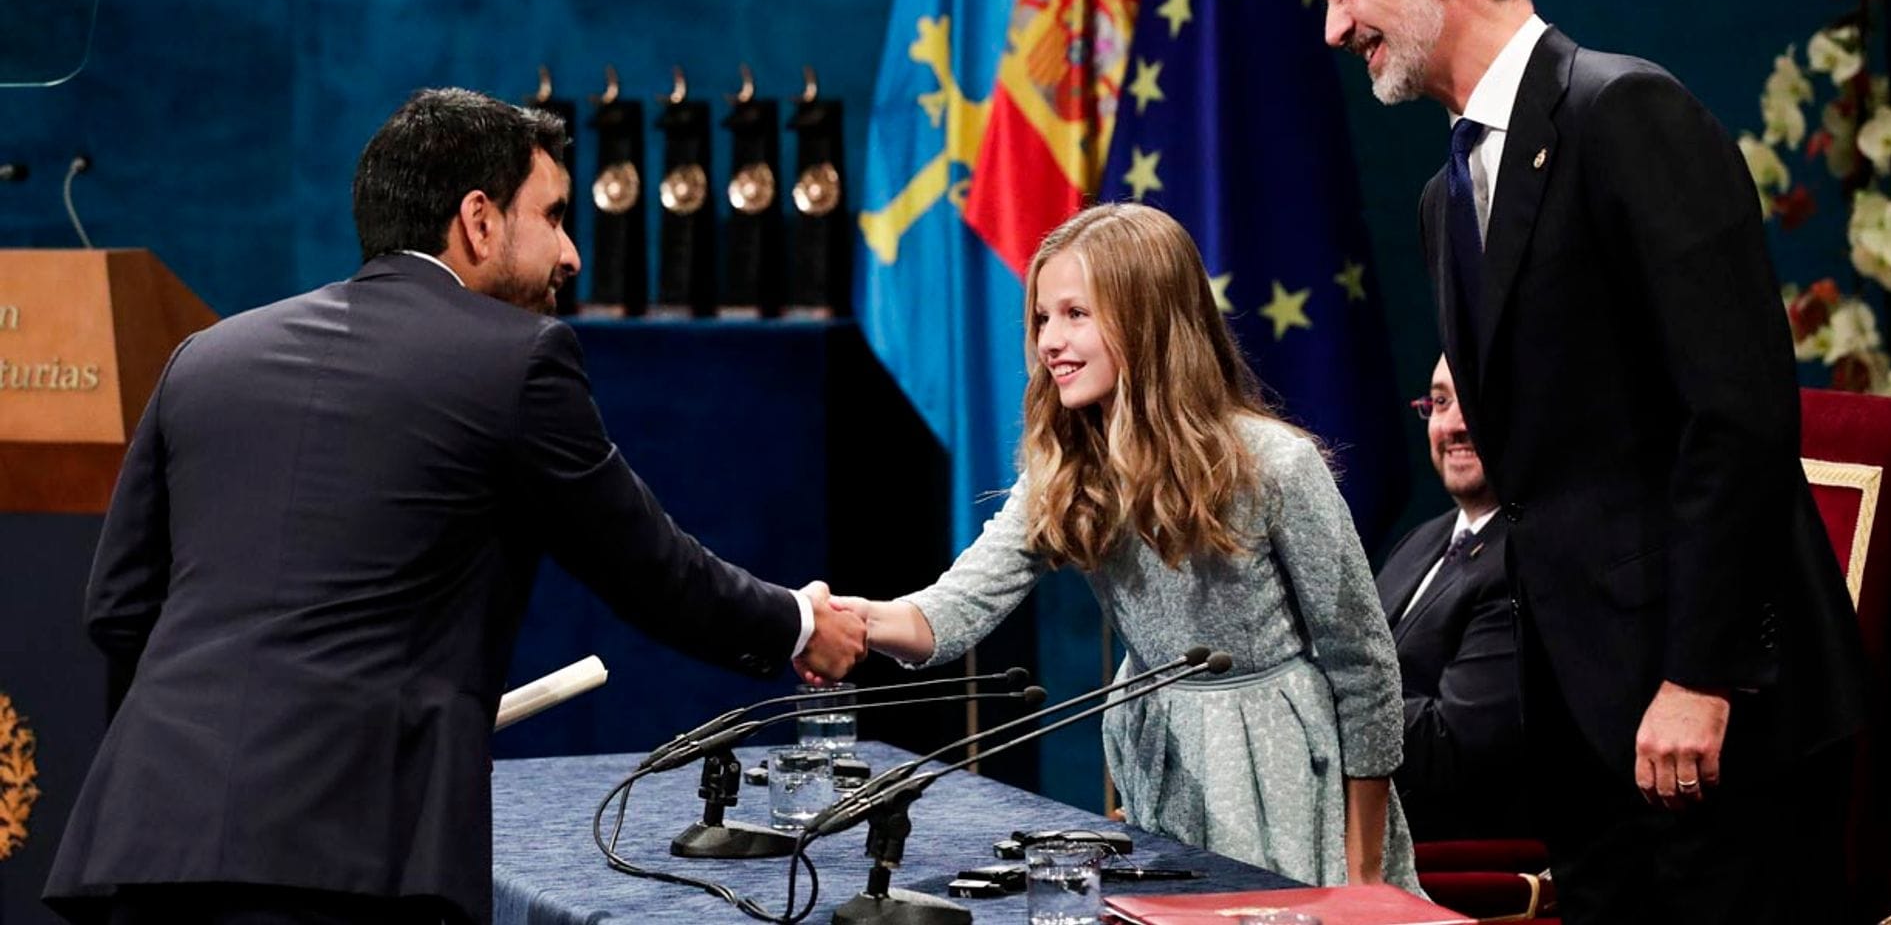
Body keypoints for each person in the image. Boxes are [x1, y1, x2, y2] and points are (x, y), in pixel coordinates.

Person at [42, 88, 868, 925]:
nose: (573, 253)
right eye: (551, 217)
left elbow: (118, 608)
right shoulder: (518, 363)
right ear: (478, 220)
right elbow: (651, 570)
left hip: (146, 844)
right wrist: (800, 624)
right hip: (349, 858)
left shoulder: (206, 359)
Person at [1310, 0, 1866, 921]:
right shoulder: (1443, 194)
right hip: (1583, 735)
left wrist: (1700, 678)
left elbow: (1736, 416)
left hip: (1715, 724)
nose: (1334, 28)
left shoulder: (1625, 114)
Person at [831, 203, 1419, 891]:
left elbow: (1365, 670)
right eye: (1043, 318)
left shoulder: (1275, 464)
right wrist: (832, 620)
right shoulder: (1067, 473)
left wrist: (1367, 873)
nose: (1049, 340)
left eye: (1076, 314)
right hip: (1158, 760)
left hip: (1282, 774)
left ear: (1148, 319)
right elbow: (951, 613)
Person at [1374, 354, 1527, 842]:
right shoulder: (1421, 540)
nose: (1455, 426)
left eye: (1475, 402)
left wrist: (1321, 700)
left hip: (1456, 856)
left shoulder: (1528, 559)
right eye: (1440, 402)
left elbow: (1457, 742)